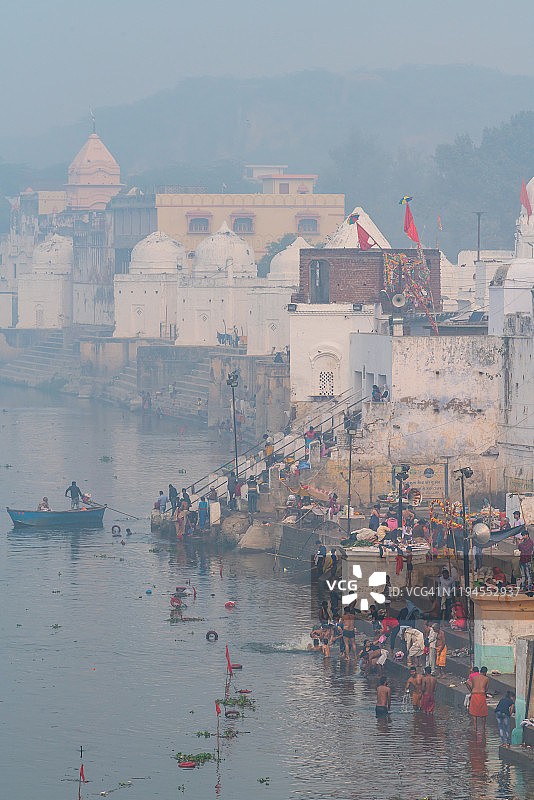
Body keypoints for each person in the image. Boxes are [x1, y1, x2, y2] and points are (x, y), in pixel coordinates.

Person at [467, 665, 489, 733]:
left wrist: (471, 691)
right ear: (485, 672)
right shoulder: (486, 679)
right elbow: (486, 689)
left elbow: (471, 685)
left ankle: (475, 728)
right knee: (483, 712)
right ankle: (483, 728)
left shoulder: (474, 678)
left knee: (474, 712)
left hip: (474, 694)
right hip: (481, 695)